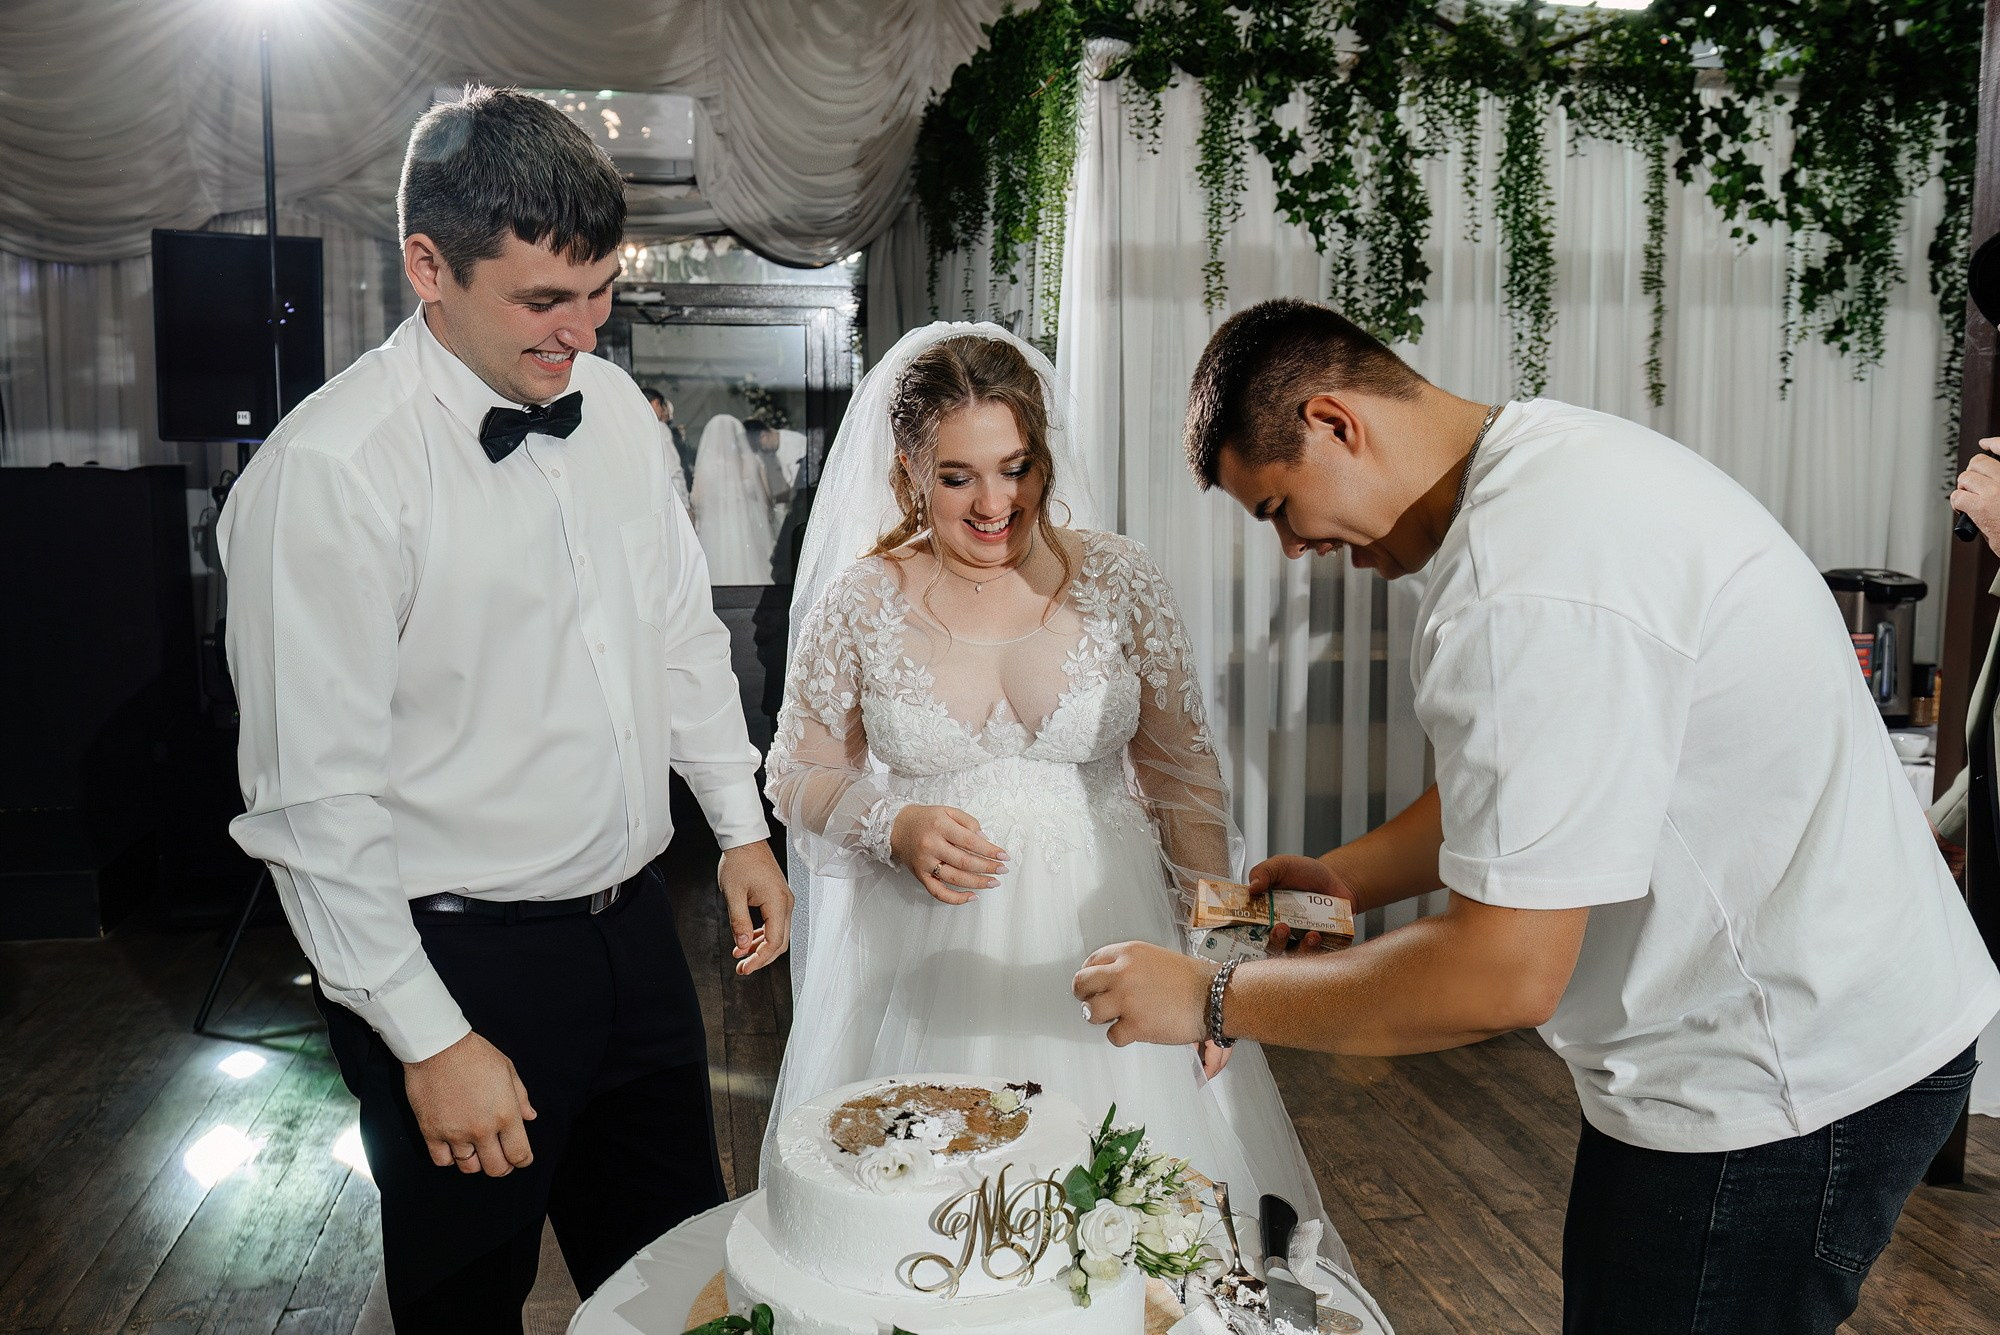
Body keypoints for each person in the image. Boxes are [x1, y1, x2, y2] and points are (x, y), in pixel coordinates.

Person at [1074, 298, 2000, 1335]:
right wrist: (1353, 877)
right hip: (1839, 1018)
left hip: (1778, 1074)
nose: (1292, 548)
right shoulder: (1553, 461)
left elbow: (1500, 976)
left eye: (1277, 507)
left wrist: (1211, 998)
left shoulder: (1517, 589)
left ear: (1335, 423)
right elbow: (1550, 786)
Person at [219, 85, 793, 1333]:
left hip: (635, 932)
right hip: (450, 957)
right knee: (465, 1306)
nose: (581, 334)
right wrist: (429, 1039)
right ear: (428, 265)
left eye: (598, 296)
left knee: (687, 1289)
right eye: (543, 301)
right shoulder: (326, 477)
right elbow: (314, 805)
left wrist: (737, 828)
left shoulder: (621, 432)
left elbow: (680, 639)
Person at [763, 322, 1386, 1319]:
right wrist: (890, 823)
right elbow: (795, 771)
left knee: (1145, 1248)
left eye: (1015, 468)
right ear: (909, 470)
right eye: (958, 476)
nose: (994, 503)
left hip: (1112, 934)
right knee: (945, 1246)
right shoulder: (863, 600)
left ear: (1043, 456)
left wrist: (1222, 971)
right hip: (931, 968)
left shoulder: (1120, 580)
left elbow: (1187, 784)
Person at [642, 385, 693, 509]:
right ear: (655, 403)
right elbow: (674, 469)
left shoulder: (633, 427)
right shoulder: (659, 428)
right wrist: (685, 504)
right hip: (666, 498)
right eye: (661, 406)